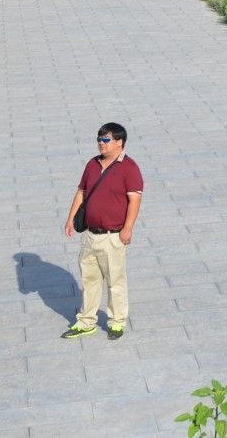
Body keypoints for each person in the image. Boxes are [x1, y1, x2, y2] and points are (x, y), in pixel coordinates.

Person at [62, 122, 143, 339]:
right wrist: (70, 219)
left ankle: (117, 321)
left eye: (106, 139)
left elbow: (135, 200)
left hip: (113, 236)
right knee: (89, 280)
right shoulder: (92, 164)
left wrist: (128, 228)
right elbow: (81, 192)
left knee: (115, 280)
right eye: (99, 139)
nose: (101, 143)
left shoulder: (129, 168)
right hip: (90, 234)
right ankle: (86, 321)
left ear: (119, 142)